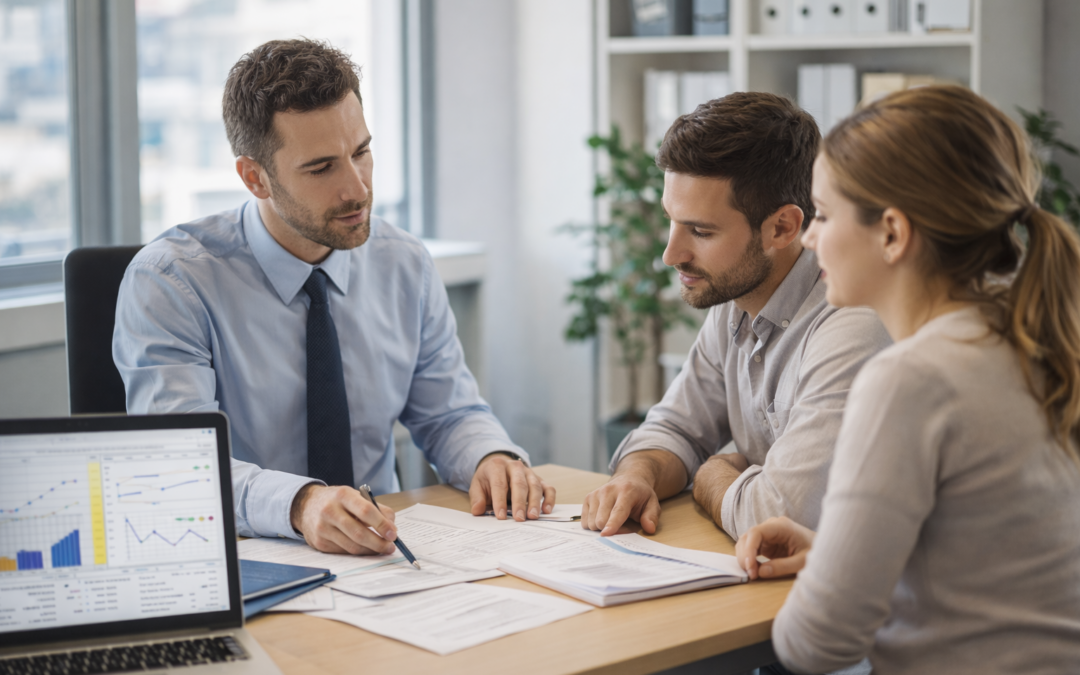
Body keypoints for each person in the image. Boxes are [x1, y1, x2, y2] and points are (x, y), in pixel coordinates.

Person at [114, 39, 554, 556]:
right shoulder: (172, 282)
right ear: (255, 177)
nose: (357, 188)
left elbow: (448, 412)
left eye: (362, 152)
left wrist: (490, 457)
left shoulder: (404, 263)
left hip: (381, 557)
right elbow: (180, 465)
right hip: (244, 558)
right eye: (322, 168)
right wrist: (299, 505)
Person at [736, 85, 1080, 674]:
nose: (810, 237)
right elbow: (991, 569)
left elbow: (816, 644)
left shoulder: (909, 378)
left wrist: (829, 581)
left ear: (892, 233)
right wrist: (837, 556)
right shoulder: (1035, 339)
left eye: (823, 214)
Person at [582, 92, 891, 539]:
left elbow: (779, 518)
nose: (671, 254)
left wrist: (711, 477)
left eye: (701, 231)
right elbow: (675, 429)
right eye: (672, 220)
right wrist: (638, 475)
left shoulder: (853, 325)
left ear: (782, 227)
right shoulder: (736, 300)